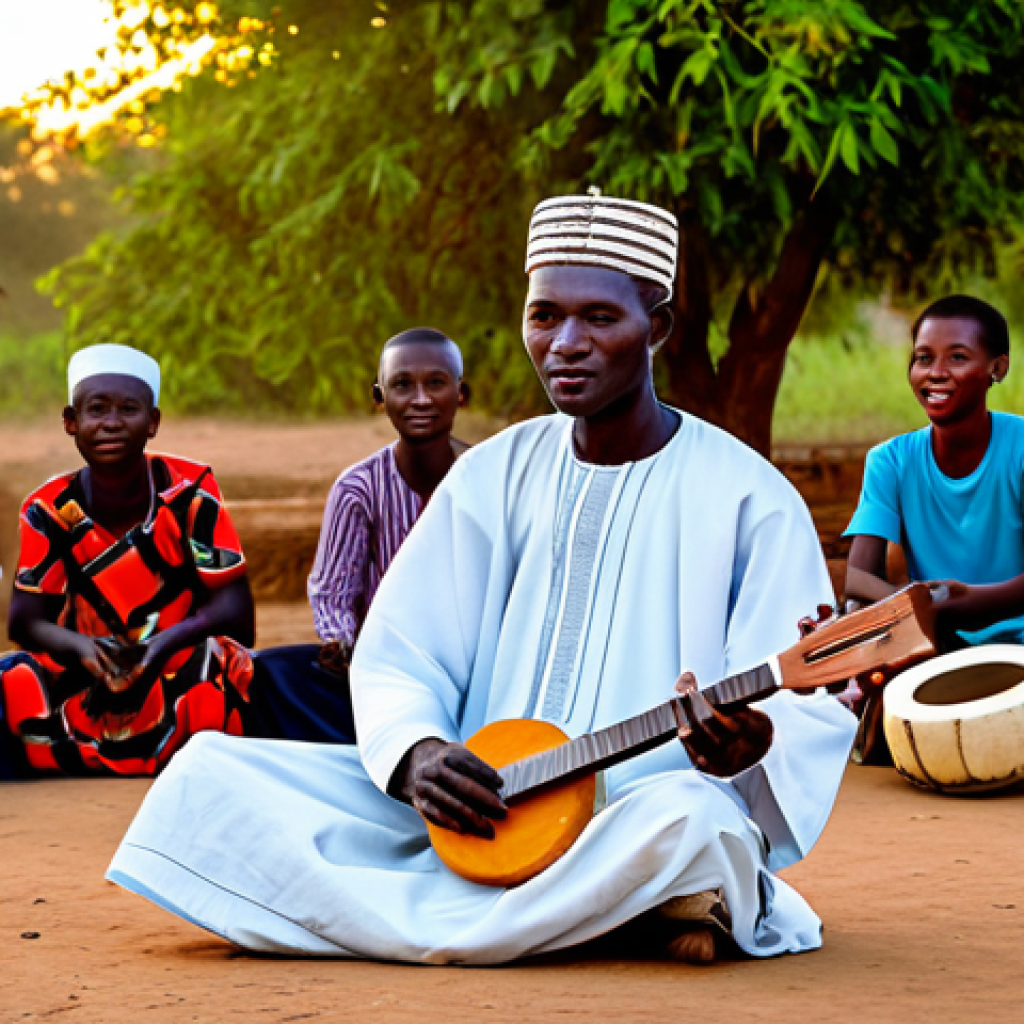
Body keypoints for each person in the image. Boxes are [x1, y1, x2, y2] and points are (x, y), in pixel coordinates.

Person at [107, 193, 856, 965]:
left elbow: (796, 710)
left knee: (700, 826)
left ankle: (611, 896)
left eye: (599, 319)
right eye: (545, 316)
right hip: (476, 810)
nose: (566, 343)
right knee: (210, 773)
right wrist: (421, 753)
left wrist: (748, 751)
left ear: (656, 329)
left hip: (636, 810)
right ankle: (624, 914)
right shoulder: (492, 473)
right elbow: (401, 647)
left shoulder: (750, 496)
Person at [0, 344, 256, 779]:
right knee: (15, 677)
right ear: (71, 421)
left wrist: (158, 648)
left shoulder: (190, 492)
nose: (111, 423)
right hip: (82, 673)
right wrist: (83, 649)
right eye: (97, 409)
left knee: (226, 666)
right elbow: (24, 622)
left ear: (153, 422)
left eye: (128, 409)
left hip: (176, 663)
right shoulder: (46, 509)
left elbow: (237, 614)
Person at [247, 328, 468, 743]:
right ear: (380, 397)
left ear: (461, 393)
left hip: (475, 666)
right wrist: (341, 643)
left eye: (435, 383)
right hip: (384, 669)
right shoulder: (358, 488)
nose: (420, 399)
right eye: (403, 385)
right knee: (269, 674)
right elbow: (333, 592)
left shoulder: (488, 477)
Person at [842, 296, 1024, 724]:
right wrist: (927, 610)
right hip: (935, 645)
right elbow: (858, 578)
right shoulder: (891, 460)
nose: (935, 372)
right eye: (923, 358)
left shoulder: (1019, 450)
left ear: (996, 369)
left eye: (957, 357)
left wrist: (967, 603)